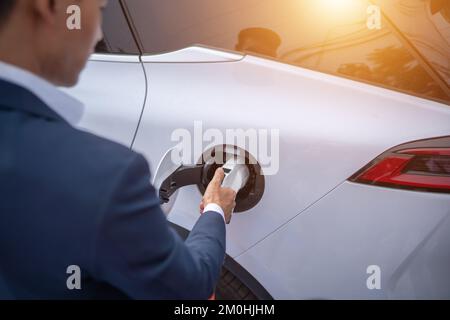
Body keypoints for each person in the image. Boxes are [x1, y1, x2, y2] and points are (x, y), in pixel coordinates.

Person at [0, 0, 236, 299]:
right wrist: (215, 210)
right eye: (99, 9)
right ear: (51, 6)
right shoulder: (105, 176)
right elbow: (189, 289)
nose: (99, 33)